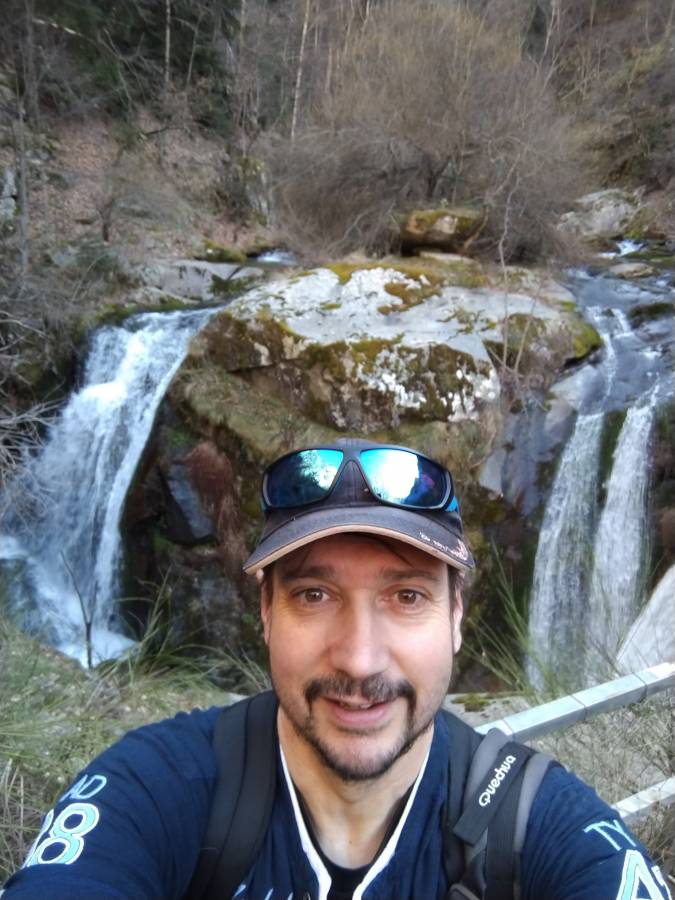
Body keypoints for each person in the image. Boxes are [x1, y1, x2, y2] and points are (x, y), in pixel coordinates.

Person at [2, 439, 671, 900]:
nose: (358, 658)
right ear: (265, 611)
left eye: (406, 597)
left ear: (456, 616)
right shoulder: (154, 788)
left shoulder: (539, 826)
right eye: (314, 595)